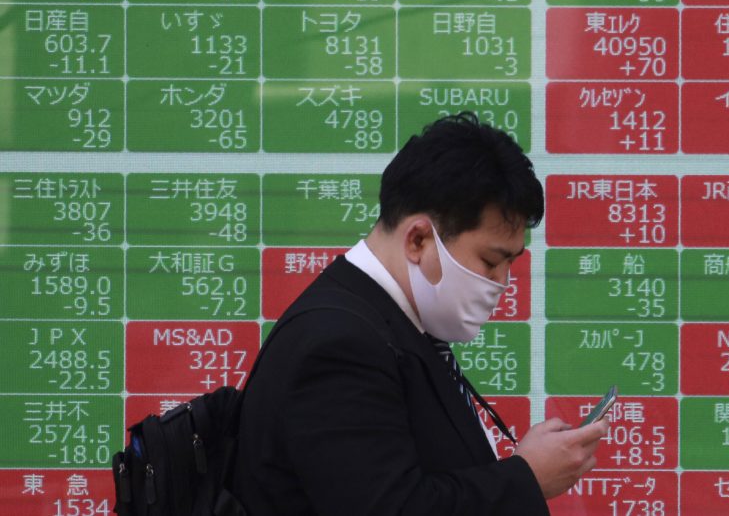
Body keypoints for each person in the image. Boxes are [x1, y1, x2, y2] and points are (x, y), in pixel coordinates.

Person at [233, 112, 609, 515]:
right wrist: (526, 478)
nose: (502, 282)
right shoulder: (338, 344)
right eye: (490, 260)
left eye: (510, 264)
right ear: (418, 239)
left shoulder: (387, 322)